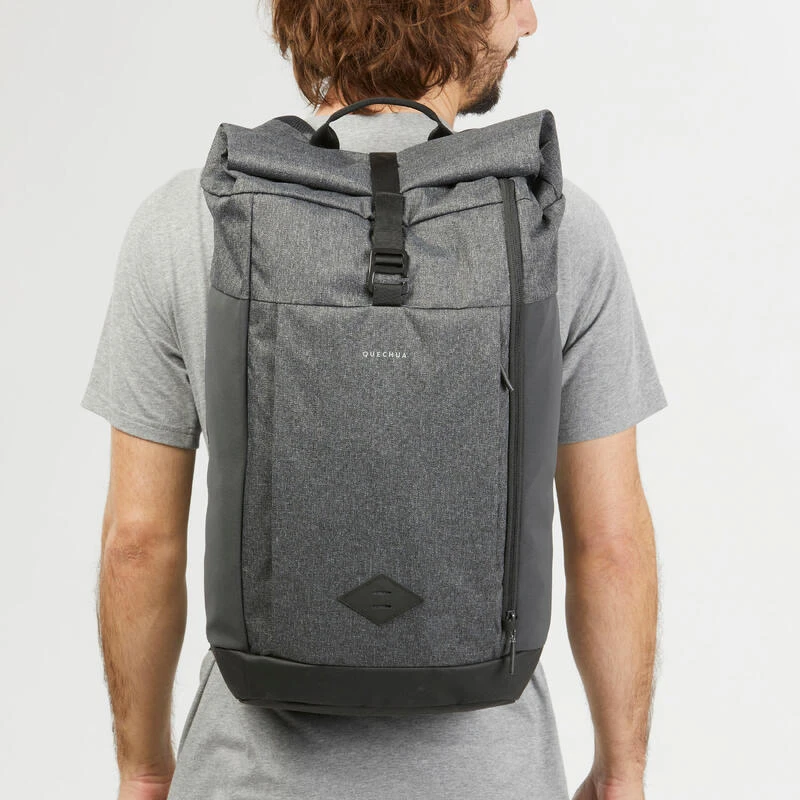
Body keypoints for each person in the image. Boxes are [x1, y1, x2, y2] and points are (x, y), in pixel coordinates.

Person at [80, 1, 667, 799]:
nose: (529, 21)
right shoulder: (550, 225)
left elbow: (138, 543)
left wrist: (144, 769)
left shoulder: (193, 219)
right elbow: (611, 546)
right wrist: (623, 772)